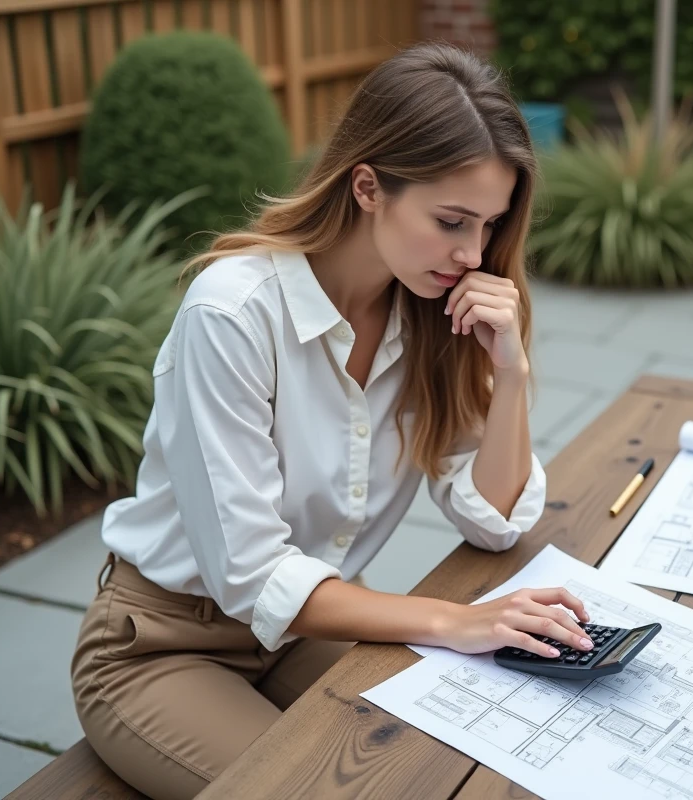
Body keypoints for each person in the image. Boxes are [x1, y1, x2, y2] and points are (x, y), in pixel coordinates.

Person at [70, 41, 596, 800]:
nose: (472, 252)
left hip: (306, 630)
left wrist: (508, 374)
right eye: (451, 220)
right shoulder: (234, 313)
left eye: (488, 224)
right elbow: (252, 576)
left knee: (453, 762)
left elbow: (494, 522)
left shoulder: (434, 317)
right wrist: (453, 621)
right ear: (368, 186)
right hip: (164, 646)